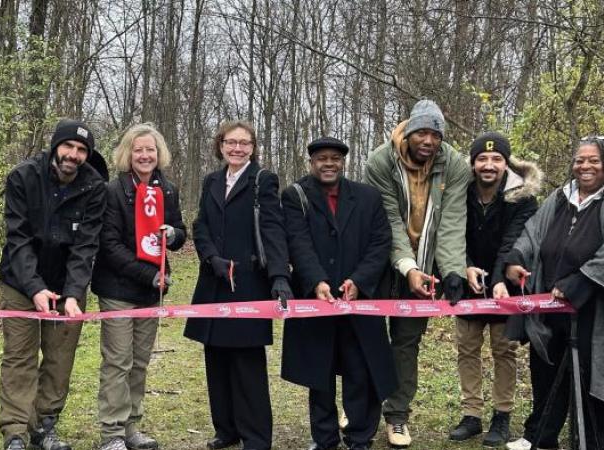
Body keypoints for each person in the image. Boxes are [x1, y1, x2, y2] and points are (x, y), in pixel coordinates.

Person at [499, 136, 604, 450]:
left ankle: (590, 443)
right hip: (552, 310)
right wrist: (516, 259)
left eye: (594, 160)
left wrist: (581, 281)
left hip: (599, 314)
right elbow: (533, 233)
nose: (585, 166)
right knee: (547, 372)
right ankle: (541, 437)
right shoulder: (560, 197)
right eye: (580, 160)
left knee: (594, 382)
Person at [365, 99, 471, 448]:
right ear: (409, 131)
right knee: (367, 338)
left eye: (435, 134)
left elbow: (452, 221)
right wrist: (406, 266)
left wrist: (453, 270)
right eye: (422, 132)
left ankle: (397, 416)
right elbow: (390, 220)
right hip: (382, 262)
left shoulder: (454, 163)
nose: (428, 141)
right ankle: (361, 406)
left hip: (427, 266)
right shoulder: (381, 160)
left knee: (406, 343)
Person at [280, 137, 396, 450]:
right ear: (311, 162)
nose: (328, 164)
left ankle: (360, 437)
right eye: (321, 158)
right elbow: (298, 242)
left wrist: (359, 280)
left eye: (334, 158)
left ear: (343, 162)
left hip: (359, 300)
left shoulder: (368, 197)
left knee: (361, 370)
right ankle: (324, 438)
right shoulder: (296, 195)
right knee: (319, 373)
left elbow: (380, 243)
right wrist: (317, 280)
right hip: (317, 300)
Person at [0, 119, 107, 450]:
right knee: (20, 356)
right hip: (21, 282)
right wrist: (33, 288)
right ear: (55, 146)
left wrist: (74, 294)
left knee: (60, 358)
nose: (73, 155)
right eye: (68, 146)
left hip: (67, 284)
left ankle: (45, 425)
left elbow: (86, 246)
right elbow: (17, 239)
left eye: (81, 150)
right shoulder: (23, 177)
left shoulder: (94, 186)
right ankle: (15, 429)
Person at [185, 120, 291, 450]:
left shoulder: (263, 180)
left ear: (253, 147)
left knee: (247, 365)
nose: (237, 148)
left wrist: (279, 277)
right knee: (215, 359)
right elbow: (200, 225)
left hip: (247, 283)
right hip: (213, 281)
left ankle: (256, 437)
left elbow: (273, 230)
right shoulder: (211, 181)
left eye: (244, 143)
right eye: (231, 142)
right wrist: (210, 257)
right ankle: (226, 430)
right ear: (220, 145)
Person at [90, 123, 187, 450]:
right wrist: (147, 275)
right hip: (118, 289)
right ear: (127, 154)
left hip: (151, 291)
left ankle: (132, 427)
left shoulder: (168, 190)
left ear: (159, 154)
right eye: (138, 149)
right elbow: (110, 244)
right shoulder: (113, 191)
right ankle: (112, 433)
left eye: (150, 150)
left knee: (140, 361)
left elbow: (180, 234)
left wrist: (173, 235)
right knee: (118, 361)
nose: (145, 155)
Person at [446, 132, 540, 446]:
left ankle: (502, 416)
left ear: (506, 163)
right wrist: (464, 266)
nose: (489, 165)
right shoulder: (459, 192)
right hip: (467, 284)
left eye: (496, 159)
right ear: (473, 164)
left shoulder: (522, 197)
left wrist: (499, 278)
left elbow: (513, 241)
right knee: (467, 349)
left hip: (506, 286)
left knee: (504, 351)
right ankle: (471, 414)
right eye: (482, 159)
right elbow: (452, 234)